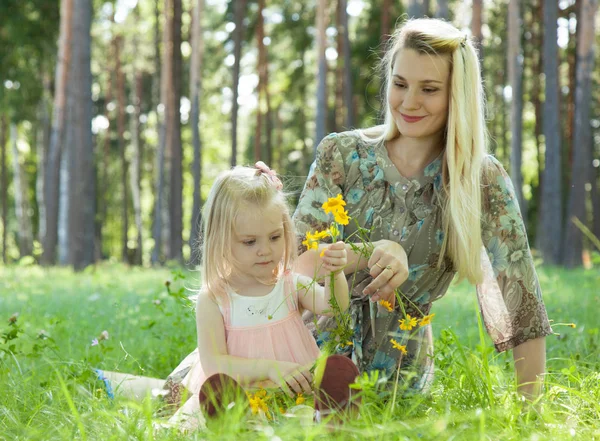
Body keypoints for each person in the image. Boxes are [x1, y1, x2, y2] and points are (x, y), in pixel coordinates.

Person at [293, 18, 553, 400]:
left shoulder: (480, 180)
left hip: (400, 381)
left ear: (456, 96)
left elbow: (521, 305)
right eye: (400, 84)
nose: (409, 102)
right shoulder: (342, 155)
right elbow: (291, 269)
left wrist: (531, 413)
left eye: (429, 89)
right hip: (304, 361)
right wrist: (371, 253)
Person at [145, 161, 356, 428]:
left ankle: (327, 415)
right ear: (221, 240)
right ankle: (238, 420)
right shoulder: (214, 299)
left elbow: (332, 306)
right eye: (250, 242)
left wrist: (335, 274)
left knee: (300, 417)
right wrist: (269, 368)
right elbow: (214, 365)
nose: (265, 250)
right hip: (243, 392)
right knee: (217, 407)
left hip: (294, 391)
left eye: (275, 237)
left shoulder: (289, 285)